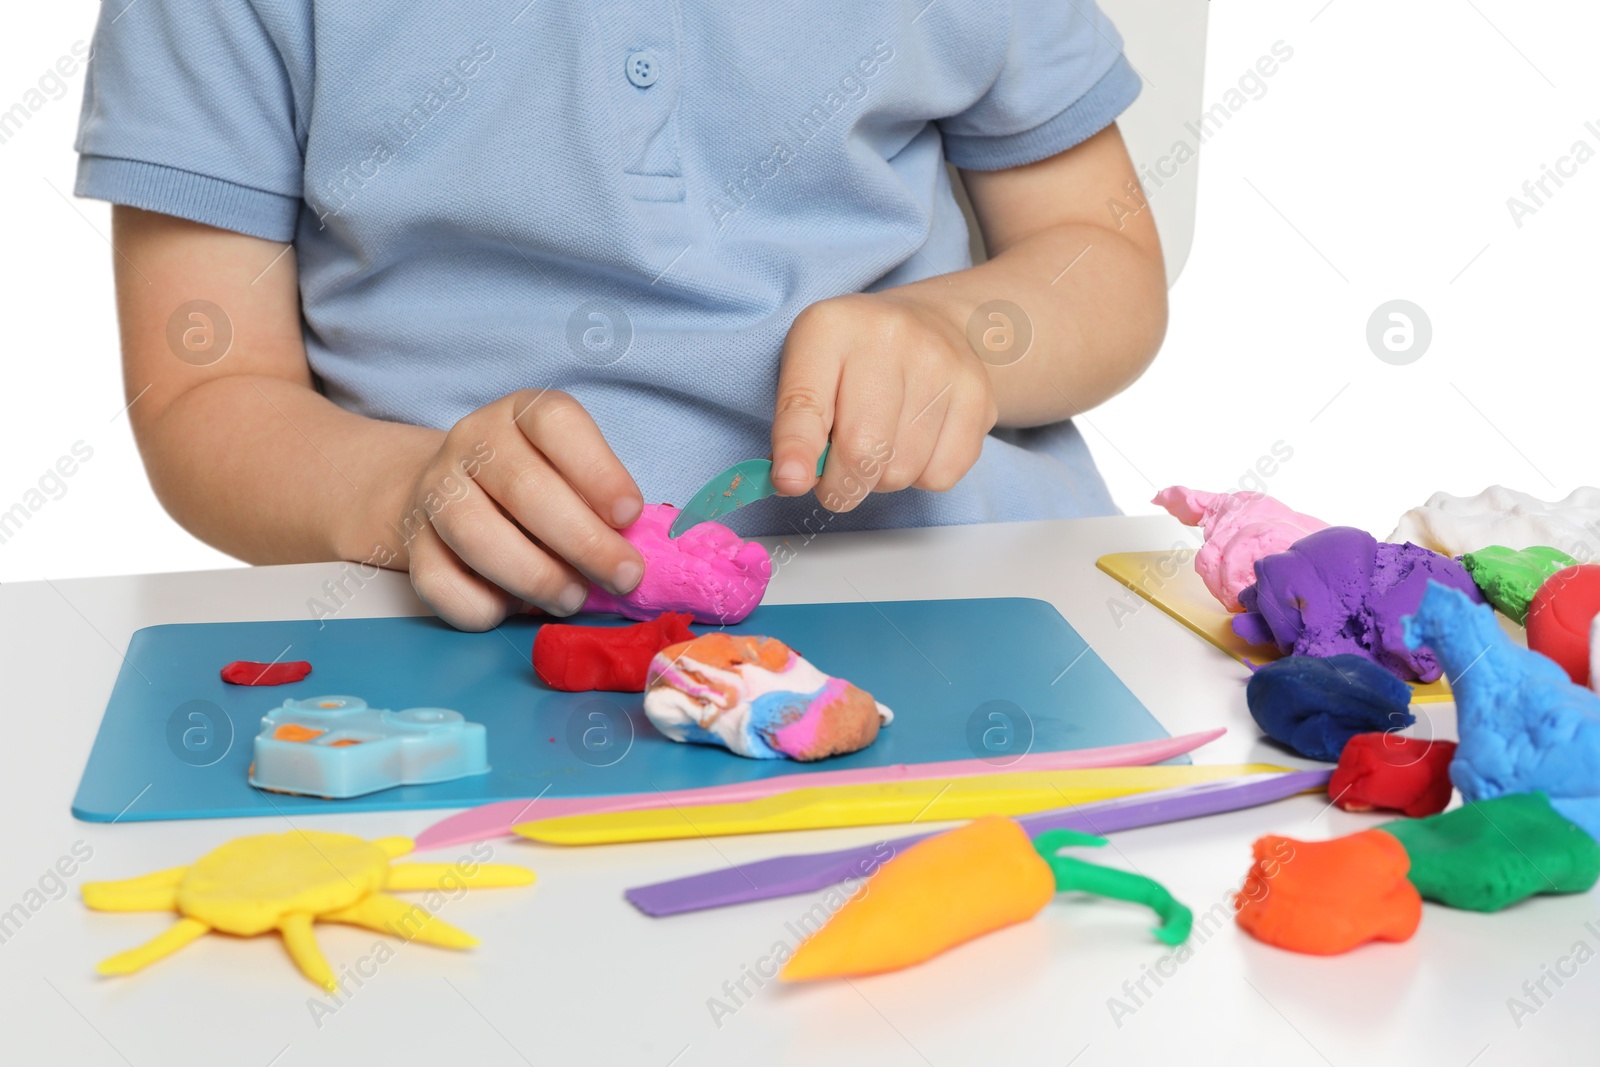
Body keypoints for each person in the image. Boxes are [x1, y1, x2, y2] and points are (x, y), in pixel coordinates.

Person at [76, 2, 1166, 630]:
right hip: (476, 632)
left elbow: (1105, 258)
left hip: (969, 599)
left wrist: (957, 333)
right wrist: (402, 493)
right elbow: (204, 390)